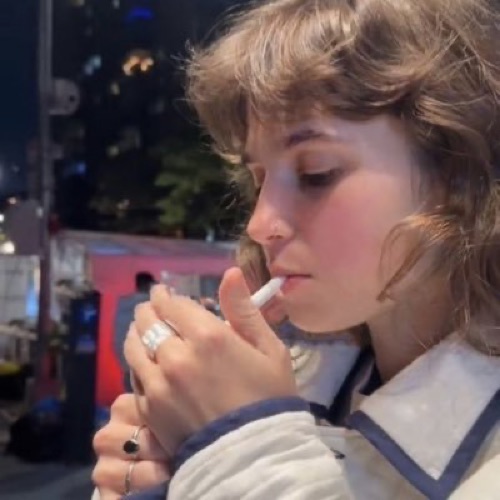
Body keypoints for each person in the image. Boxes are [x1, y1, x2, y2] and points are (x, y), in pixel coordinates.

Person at [92, 0, 500, 498]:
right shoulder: (294, 379)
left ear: (459, 176)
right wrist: (169, 471)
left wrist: (238, 445)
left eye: (315, 173)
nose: (259, 224)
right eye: (257, 179)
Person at [113, 272, 155, 392]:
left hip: (126, 361)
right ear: (149, 285)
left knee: (132, 392)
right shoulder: (151, 305)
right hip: (146, 363)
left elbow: (118, 335)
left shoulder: (123, 304)